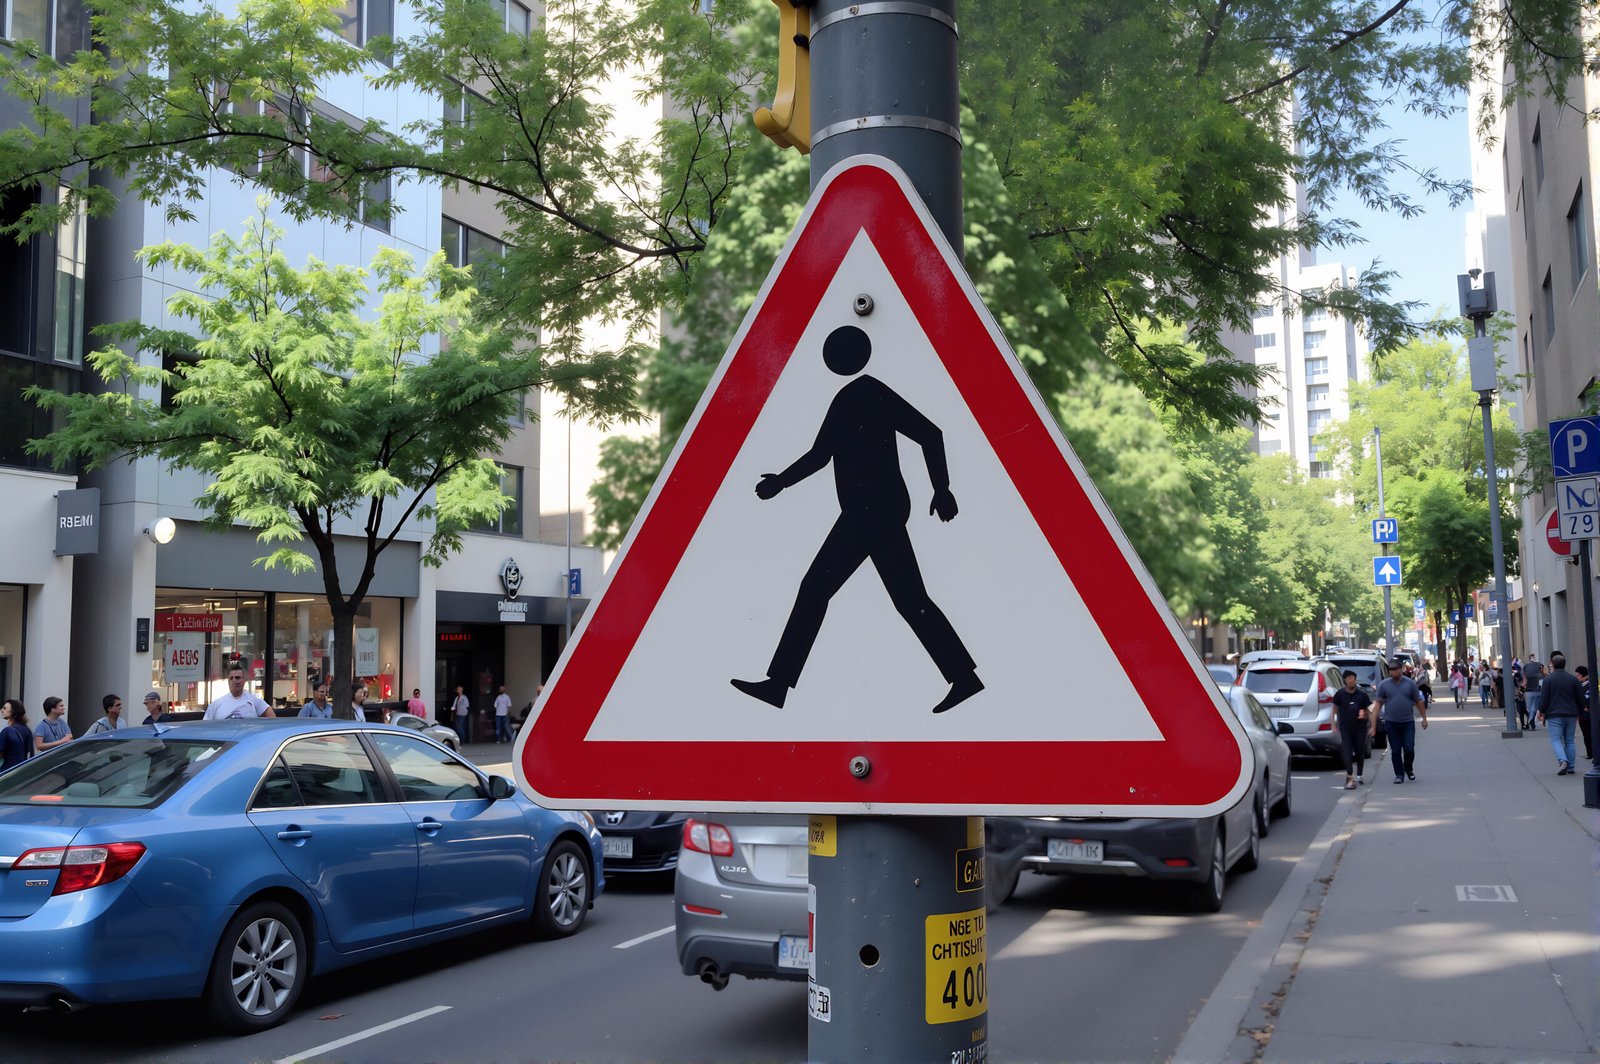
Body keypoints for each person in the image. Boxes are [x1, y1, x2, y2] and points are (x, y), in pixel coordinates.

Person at [730, 325, 982, 716]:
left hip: (871, 511)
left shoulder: (863, 393)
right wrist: (781, 482)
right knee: (909, 599)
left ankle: (778, 685)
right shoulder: (854, 396)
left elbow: (930, 434)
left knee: (816, 588)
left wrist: (943, 488)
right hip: (875, 510)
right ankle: (964, 676)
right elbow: (822, 454)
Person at [1375, 659, 1428, 783]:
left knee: (1409, 748)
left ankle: (1408, 768)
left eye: (1395, 669)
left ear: (1401, 669)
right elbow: (1378, 704)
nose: (1392, 672)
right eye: (1390, 670)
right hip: (1391, 723)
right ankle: (1399, 774)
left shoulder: (1410, 684)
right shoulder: (1384, 685)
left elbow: (1418, 701)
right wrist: (1373, 724)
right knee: (1396, 750)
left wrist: (1424, 718)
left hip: (1407, 722)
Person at [1536, 652, 1584, 775]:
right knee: (1570, 740)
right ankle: (1571, 766)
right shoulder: (1573, 679)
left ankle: (1563, 760)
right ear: (1564, 664)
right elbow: (1580, 697)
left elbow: (1544, 698)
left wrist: (1541, 711)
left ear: (1552, 665)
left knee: (1556, 739)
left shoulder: (1548, 680)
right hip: (1571, 714)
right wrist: (1580, 711)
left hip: (1554, 714)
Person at [1332, 670, 1372, 788]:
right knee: (1347, 750)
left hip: (1360, 728)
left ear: (1355, 679)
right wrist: (1333, 724)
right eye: (1348, 678)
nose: (1351, 680)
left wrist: (1372, 725)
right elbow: (1334, 710)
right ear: (1345, 680)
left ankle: (1359, 775)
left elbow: (1370, 710)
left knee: (1360, 750)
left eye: (1352, 678)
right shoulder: (1340, 694)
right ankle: (1349, 774)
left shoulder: (1362, 694)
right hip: (1345, 727)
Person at [203, 665, 276, 720]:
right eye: (231, 678)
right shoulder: (216, 704)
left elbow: (272, 718)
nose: (234, 681)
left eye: (237, 677)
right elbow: (205, 727)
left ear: (244, 680)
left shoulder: (254, 700)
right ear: (228, 681)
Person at [1, 699, 31, 771]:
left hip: (7, 770)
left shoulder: (7, 731)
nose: (2, 710)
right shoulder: (27, 730)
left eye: (5, 708)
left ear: (13, 711)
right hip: (22, 769)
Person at [1577, 666, 1594, 763]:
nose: (1577, 677)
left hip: (1587, 714)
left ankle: (1591, 753)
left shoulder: (1589, 686)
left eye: (1578, 675)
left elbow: (1588, 698)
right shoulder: (1580, 685)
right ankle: (1589, 752)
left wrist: (1586, 706)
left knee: (1589, 734)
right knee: (1586, 734)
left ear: (1583, 675)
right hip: (1582, 714)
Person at [1523, 655, 1546, 729]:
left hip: (1529, 692)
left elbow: (1525, 683)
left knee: (1529, 708)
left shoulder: (1525, 667)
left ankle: (1530, 722)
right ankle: (1531, 721)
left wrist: (1520, 691)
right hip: (1538, 691)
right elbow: (1545, 677)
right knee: (1535, 708)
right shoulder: (1540, 667)